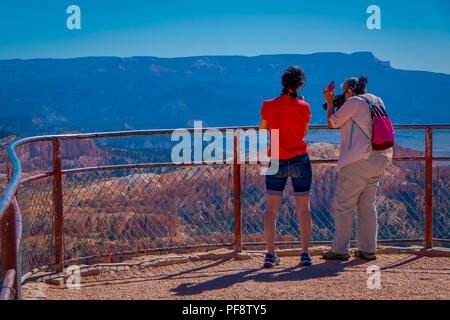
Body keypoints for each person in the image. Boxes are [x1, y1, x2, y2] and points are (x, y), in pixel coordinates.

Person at [322, 76, 393, 261]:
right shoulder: (376, 99)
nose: (343, 97)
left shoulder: (353, 102)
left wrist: (330, 102)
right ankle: (368, 250)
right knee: (367, 206)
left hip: (358, 161)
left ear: (350, 91)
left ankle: (339, 250)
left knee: (344, 206)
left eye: (344, 93)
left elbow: (333, 122)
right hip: (379, 157)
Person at [259, 66, 313, 267]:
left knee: (270, 210)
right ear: (300, 85)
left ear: (283, 83)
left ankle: (270, 255)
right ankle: (305, 253)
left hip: (275, 159)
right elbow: (304, 133)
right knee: (304, 209)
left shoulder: (268, 105)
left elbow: (263, 128)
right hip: (299, 158)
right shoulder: (304, 107)